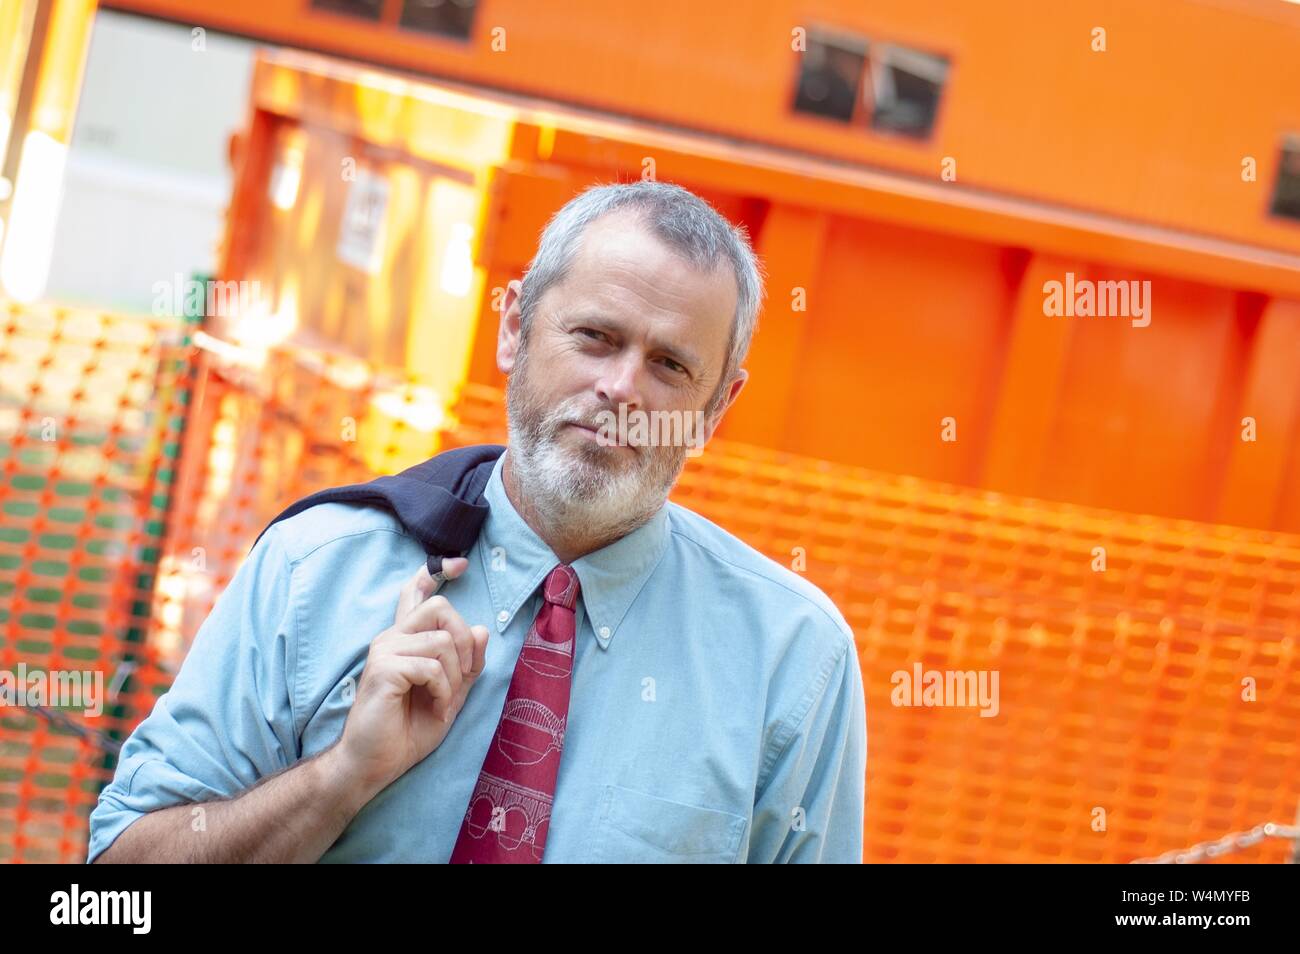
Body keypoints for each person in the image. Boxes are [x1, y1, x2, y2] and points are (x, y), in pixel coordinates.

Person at [87, 180, 867, 863]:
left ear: (716, 408)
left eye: (670, 365)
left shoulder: (792, 662)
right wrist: (338, 779)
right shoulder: (313, 571)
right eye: (595, 337)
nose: (622, 387)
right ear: (513, 329)